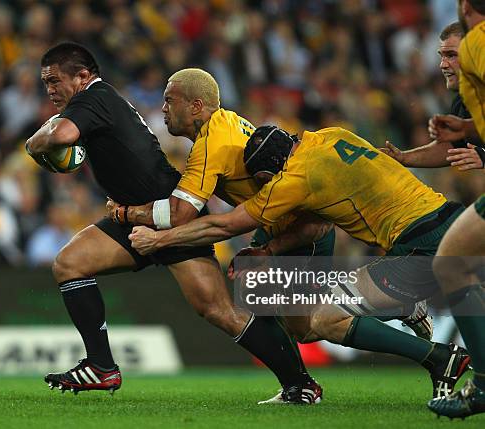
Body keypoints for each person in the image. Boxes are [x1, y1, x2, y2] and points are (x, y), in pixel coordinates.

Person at [112, 69, 468, 401]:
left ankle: (431, 353)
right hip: (418, 217)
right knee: (289, 317)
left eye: (169, 100)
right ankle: (303, 383)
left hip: (336, 236)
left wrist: (150, 232)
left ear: (196, 105)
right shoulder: (326, 134)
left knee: (318, 322)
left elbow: (212, 221)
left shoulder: (279, 176)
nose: (162, 109)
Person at [25, 42, 320, 399]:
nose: (51, 90)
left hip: (169, 214)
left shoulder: (93, 98)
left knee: (219, 311)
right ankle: (101, 367)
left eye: (55, 81)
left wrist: (34, 142)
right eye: (46, 83)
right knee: (69, 264)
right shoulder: (95, 101)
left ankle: (300, 384)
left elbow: (60, 136)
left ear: (83, 76)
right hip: (134, 214)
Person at [426, 0, 485, 419]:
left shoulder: (479, 44)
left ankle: (482, 386)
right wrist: (467, 132)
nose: (447, 62)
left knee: (451, 264)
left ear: (465, 8)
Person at [382, 21, 485, 170]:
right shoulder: (462, 101)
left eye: (451, 55)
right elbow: (451, 147)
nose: (442, 64)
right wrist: (403, 157)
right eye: (442, 56)